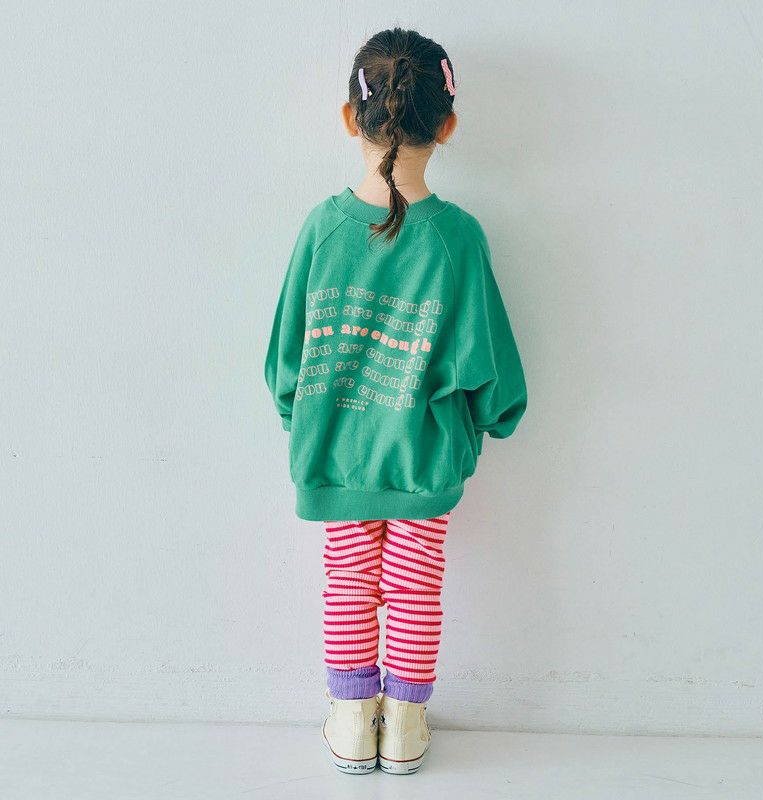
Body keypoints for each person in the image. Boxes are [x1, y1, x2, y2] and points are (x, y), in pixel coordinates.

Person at [264, 27, 528, 775]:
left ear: (351, 117)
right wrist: (490, 422)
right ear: (447, 125)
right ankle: (405, 725)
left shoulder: (323, 228)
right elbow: (491, 366)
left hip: (336, 452)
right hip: (424, 457)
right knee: (415, 588)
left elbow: (284, 360)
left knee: (348, 583)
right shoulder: (457, 237)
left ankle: (353, 721)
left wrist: (303, 420)